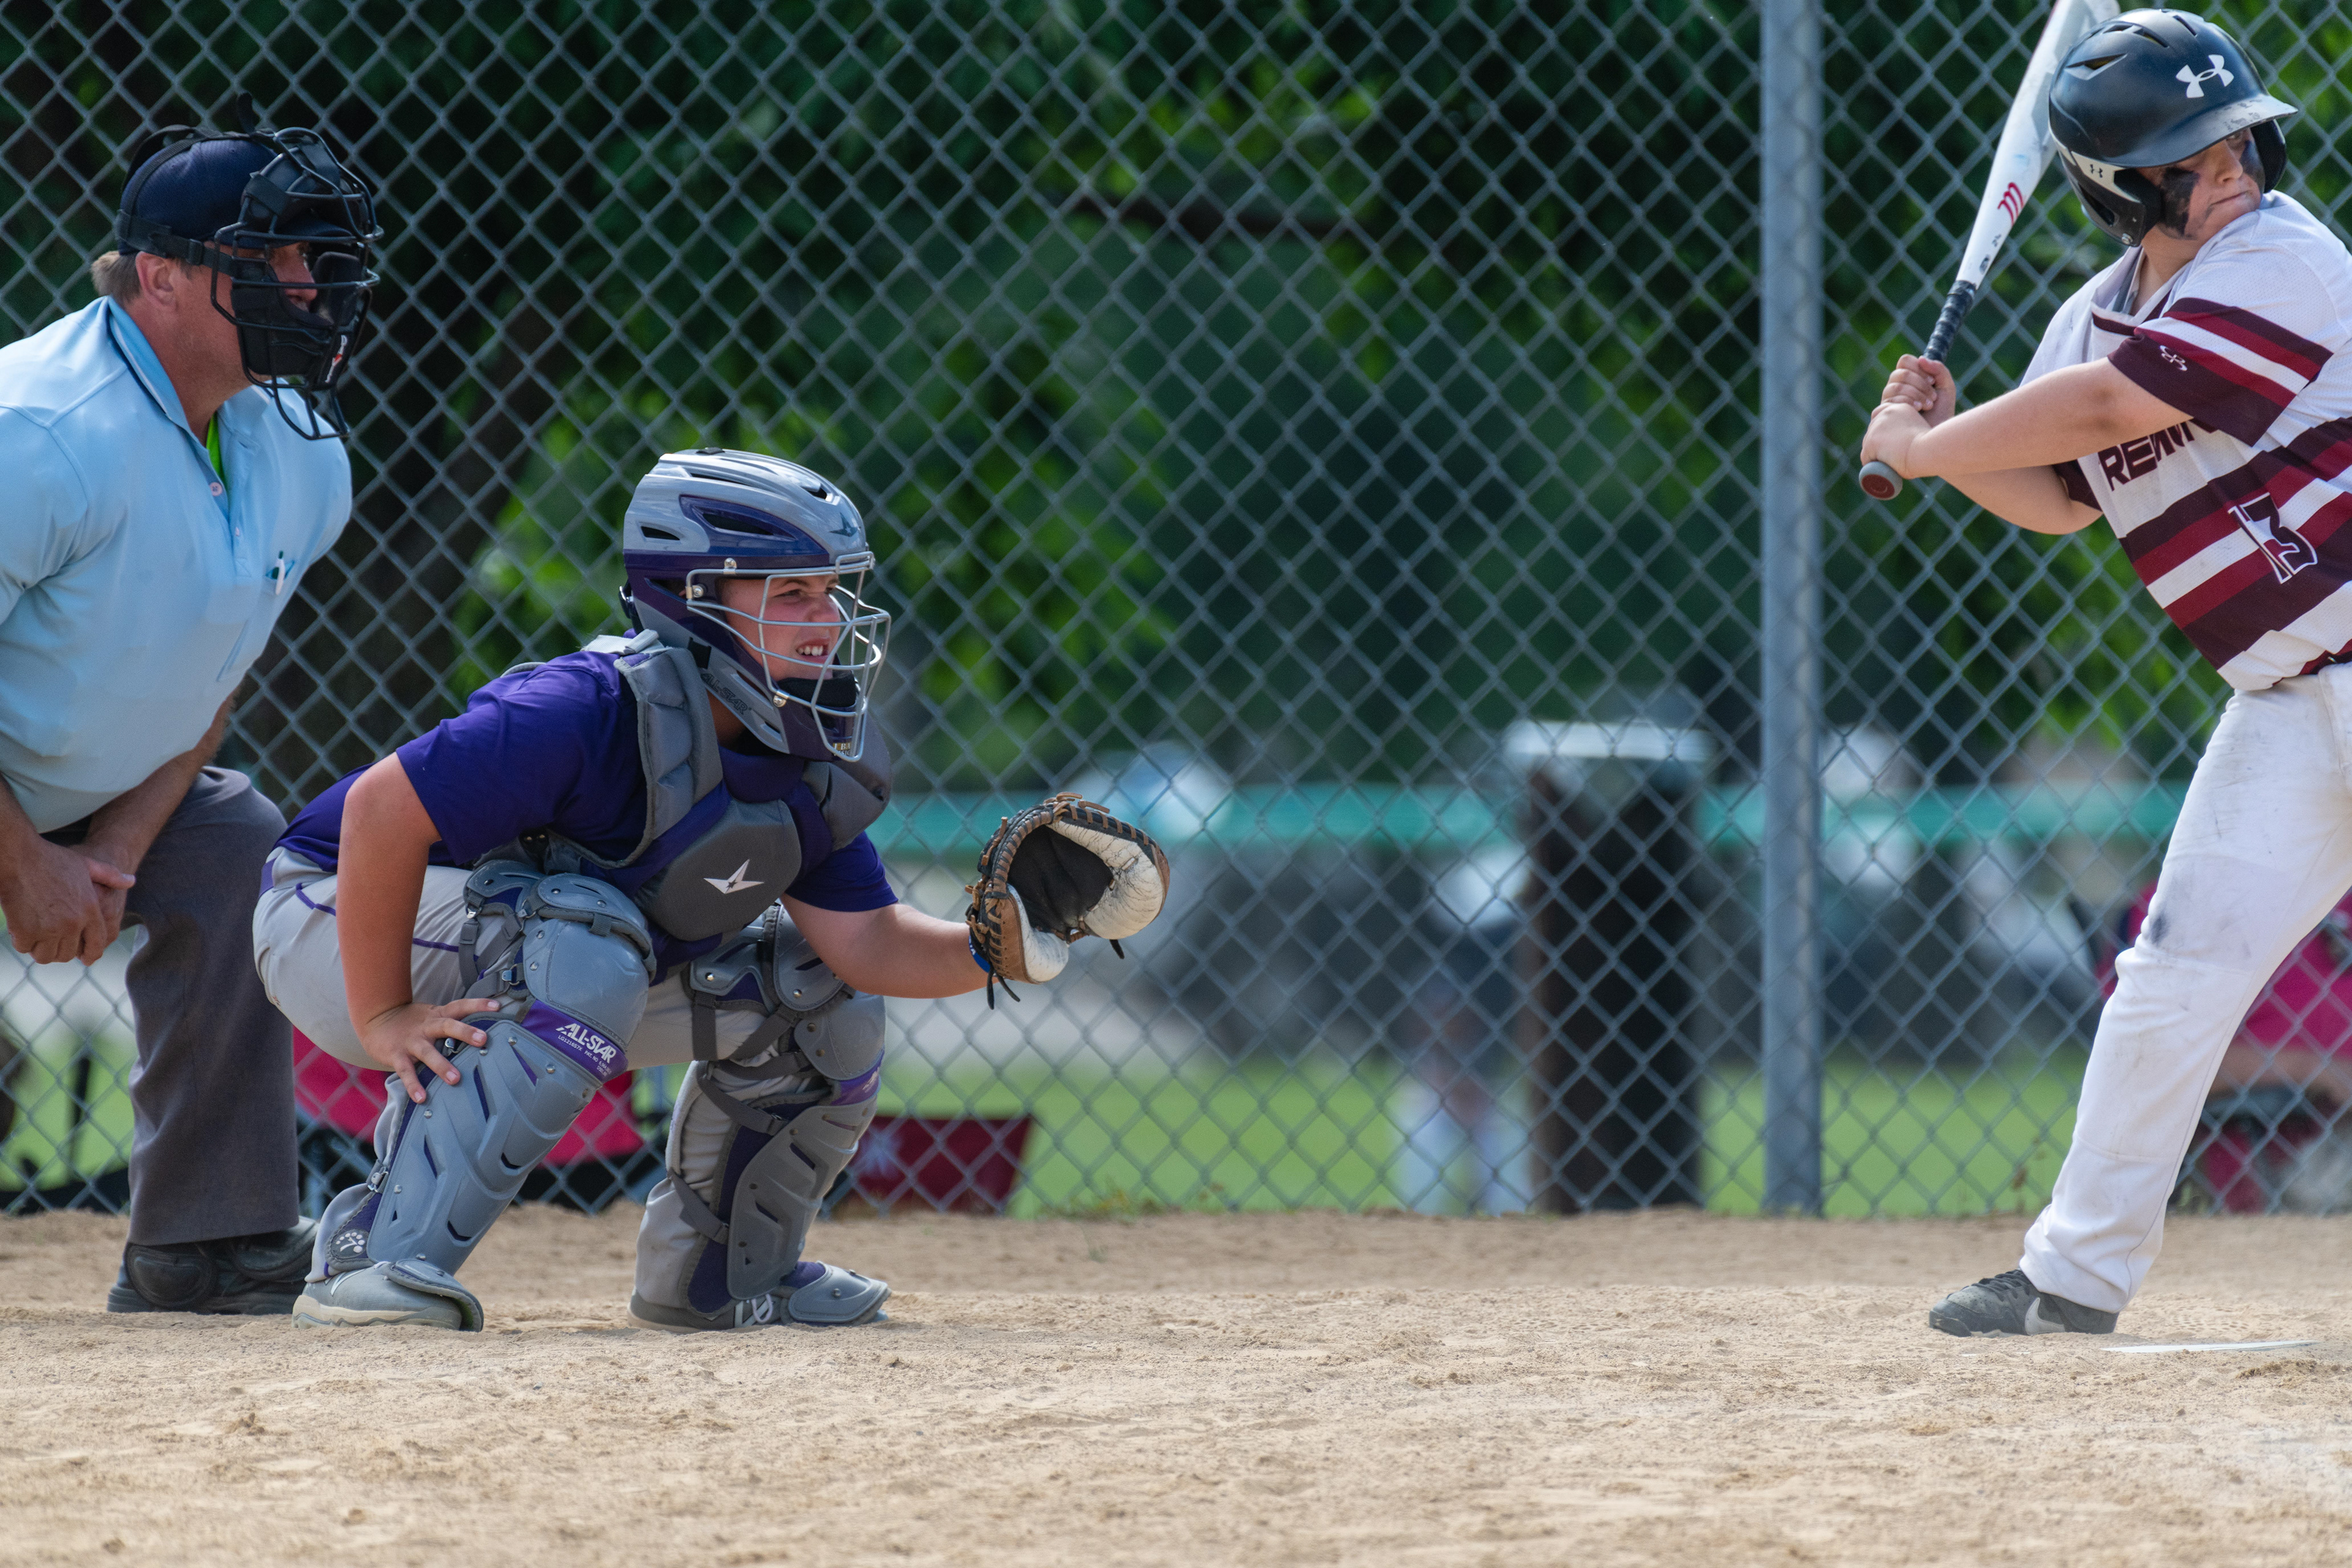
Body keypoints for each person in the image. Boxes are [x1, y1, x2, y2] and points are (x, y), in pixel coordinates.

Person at [254, 448, 1171, 1332]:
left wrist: (1004, 940)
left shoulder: (802, 750)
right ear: (693, 600)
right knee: (587, 940)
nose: (826, 620)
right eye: (790, 595)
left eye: (834, 591)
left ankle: (721, 1279)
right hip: (331, 917)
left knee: (817, 992)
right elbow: (378, 812)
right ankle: (372, 1258)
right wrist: (383, 1014)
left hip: (531, 955)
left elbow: (867, 945)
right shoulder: (583, 709)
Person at [1858, 9, 2343, 1335]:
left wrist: (1920, 447)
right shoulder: (2090, 321)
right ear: (2123, 188)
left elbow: (2108, 410)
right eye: (2196, 156)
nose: (2232, 168)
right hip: (2287, 699)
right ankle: (2071, 1281)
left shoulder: (2286, 262)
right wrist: (1941, 443)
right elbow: (2061, 494)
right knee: (2175, 973)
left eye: (2240, 141)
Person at [0, 102, 378, 1314]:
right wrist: (24, 862)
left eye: (316, 258)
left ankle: (205, 1243)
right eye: (271, 257)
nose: (306, 287)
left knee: (232, 848)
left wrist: (113, 847)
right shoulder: (39, 431)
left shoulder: (302, 454)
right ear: (158, 277)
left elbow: (210, 674)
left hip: (90, 782)